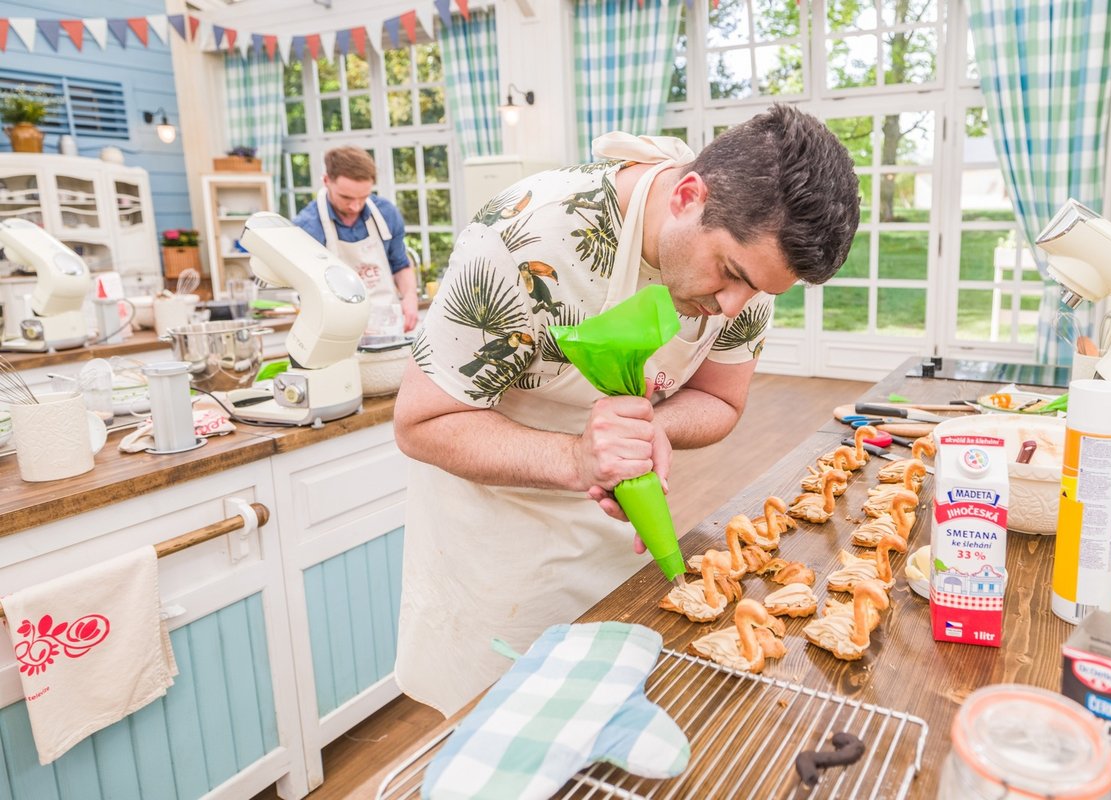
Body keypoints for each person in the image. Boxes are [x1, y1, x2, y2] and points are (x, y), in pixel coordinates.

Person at [392, 104, 860, 715]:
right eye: (728, 275)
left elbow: (721, 398)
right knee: (506, 735)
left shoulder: (746, 272)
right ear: (689, 194)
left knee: (606, 720)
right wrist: (578, 458)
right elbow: (421, 421)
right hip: (500, 540)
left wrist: (648, 432)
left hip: (616, 538)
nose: (731, 306)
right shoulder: (524, 236)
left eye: (759, 292)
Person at [293, 146, 419, 331]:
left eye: (363, 197)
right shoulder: (307, 227)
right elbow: (307, 288)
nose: (355, 206)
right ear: (326, 180)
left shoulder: (386, 213)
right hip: (337, 328)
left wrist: (410, 298)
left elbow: (400, 265)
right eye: (346, 197)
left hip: (387, 325)